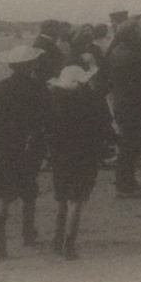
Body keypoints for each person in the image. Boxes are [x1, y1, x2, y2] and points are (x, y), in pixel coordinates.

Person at [0, 44, 47, 259]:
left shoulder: (1, 88)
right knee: (28, 190)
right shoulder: (39, 88)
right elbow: (43, 121)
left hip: (0, 147)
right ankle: (28, 232)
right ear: (30, 66)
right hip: (27, 147)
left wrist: (5, 138)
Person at [44, 63, 111, 260]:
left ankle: (57, 238)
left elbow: (48, 131)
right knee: (76, 200)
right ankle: (69, 244)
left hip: (60, 156)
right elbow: (105, 127)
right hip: (85, 155)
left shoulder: (56, 102)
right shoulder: (92, 101)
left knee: (62, 199)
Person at [105, 18, 141, 197]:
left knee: (128, 145)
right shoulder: (131, 54)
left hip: (124, 103)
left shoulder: (117, 51)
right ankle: (125, 184)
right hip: (133, 104)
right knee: (129, 146)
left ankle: (126, 181)